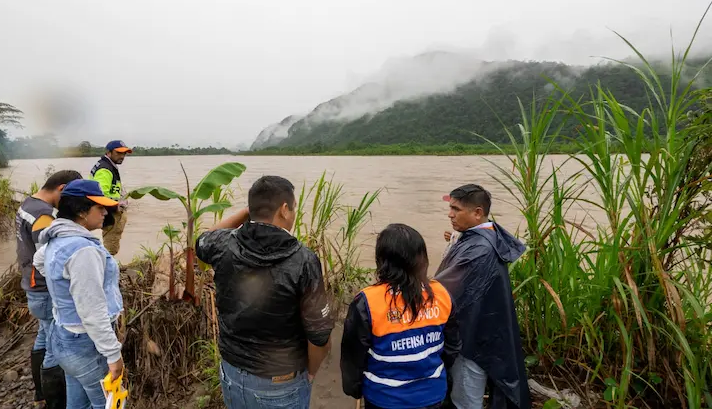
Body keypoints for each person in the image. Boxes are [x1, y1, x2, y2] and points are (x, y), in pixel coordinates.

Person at [195, 175, 334, 409]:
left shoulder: (223, 244)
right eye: (294, 208)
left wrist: (249, 211)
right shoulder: (303, 260)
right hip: (280, 383)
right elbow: (320, 338)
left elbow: (202, 240)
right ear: (284, 209)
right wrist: (311, 373)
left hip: (231, 372)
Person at [341, 223, 460, 409]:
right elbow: (452, 348)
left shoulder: (368, 301)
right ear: (422, 259)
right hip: (433, 394)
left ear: (382, 260)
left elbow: (354, 356)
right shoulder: (441, 294)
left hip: (385, 397)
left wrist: (354, 388)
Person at [434, 184, 531, 409]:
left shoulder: (478, 251)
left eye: (456, 209)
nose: (450, 214)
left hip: (473, 338)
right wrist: (457, 241)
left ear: (477, 213)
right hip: (485, 330)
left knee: (466, 399)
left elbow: (442, 290)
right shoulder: (486, 235)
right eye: (450, 208)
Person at [33, 179, 125, 409]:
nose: (105, 212)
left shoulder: (57, 236)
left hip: (63, 335)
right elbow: (92, 312)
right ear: (81, 211)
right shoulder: (83, 250)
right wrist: (113, 355)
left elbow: (39, 261)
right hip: (86, 343)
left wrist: (64, 293)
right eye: (99, 208)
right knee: (108, 403)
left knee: (77, 402)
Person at [16, 169, 82, 408]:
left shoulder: (28, 203)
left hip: (32, 286)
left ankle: (41, 394)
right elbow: (50, 256)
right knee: (56, 347)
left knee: (44, 337)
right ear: (62, 189)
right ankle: (56, 402)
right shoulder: (43, 215)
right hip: (44, 289)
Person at [90, 140, 132, 256]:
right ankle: (107, 269)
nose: (122, 156)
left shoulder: (108, 165)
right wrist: (115, 207)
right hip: (110, 213)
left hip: (110, 211)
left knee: (110, 245)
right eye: (119, 153)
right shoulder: (105, 169)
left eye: (124, 153)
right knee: (110, 248)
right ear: (109, 152)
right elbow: (100, 194)